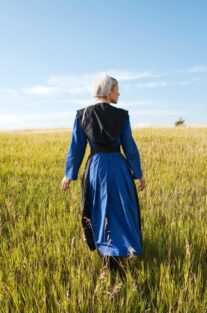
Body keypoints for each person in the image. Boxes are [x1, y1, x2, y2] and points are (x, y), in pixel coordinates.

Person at [61, 74, 146, 277]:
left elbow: (77, 147)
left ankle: (107, 253)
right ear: (108, 91)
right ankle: (122, 251)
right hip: (119, 168)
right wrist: (138, 173)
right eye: (117, 89)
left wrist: (69, 174)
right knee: (122, 210)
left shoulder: (82, 115)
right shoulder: (122, 116)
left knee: (100, 210)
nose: (119, 93)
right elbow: (129, 147)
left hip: (96, 169)